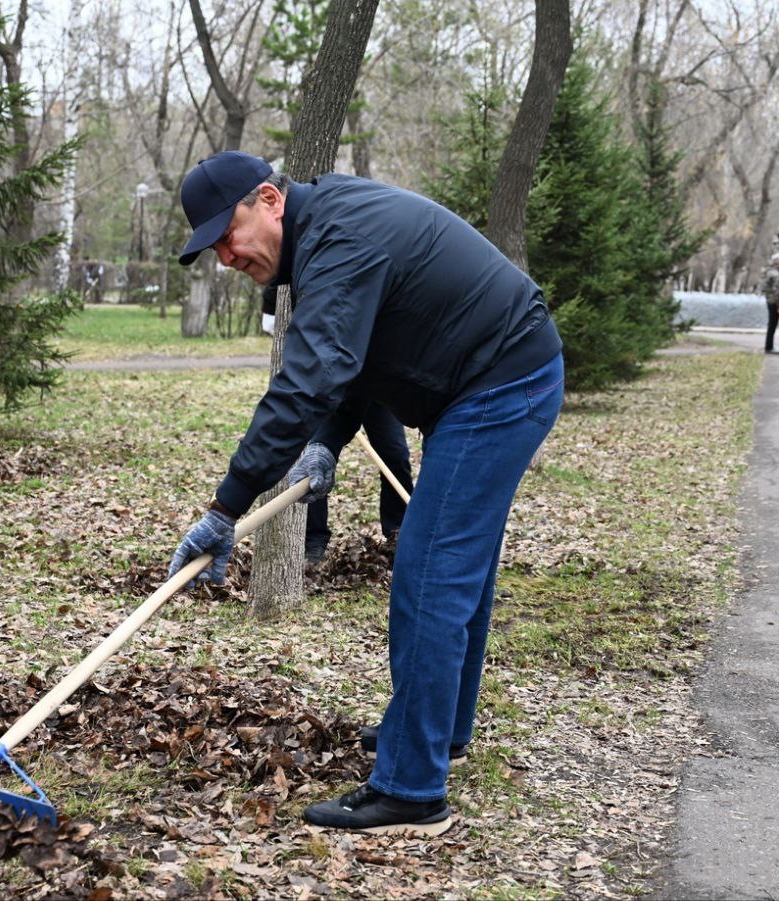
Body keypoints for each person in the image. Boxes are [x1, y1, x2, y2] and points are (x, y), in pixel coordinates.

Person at [166, 151, 564, 836]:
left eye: (227, 235)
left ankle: (412, 789)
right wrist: (328, 440)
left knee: (431, 572)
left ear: (268, 198)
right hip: (490, 378)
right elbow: (353, 354)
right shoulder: (328, 229)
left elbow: (306, 380)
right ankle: (439, 736)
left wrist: (225, 507)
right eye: (213, 250)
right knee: (455, 570)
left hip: (499, 383)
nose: (227, 257)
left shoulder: (339, 239)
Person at [260, 285, 413, 562]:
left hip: (376, 384)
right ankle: (313, 541)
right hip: (328, 387)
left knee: (395, 455)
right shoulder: (297, 280)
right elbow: (271, 321)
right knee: (315, 462)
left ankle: (399, 533)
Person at [763, 252, 779, 354]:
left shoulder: (768, 272)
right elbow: (777, 291)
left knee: (772, 325)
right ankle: (769, 347)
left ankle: (768, 347)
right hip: (775, 303)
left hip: (770, 301)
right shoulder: (775, 274)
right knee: (772, 324)